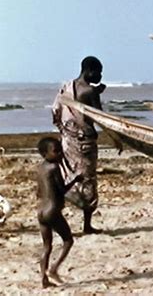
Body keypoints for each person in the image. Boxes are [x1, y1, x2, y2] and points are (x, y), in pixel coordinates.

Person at [52, 56, 111, 234]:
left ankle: (59, 211)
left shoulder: (66, 87)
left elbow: (57, 110)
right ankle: (87, 225)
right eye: (98, 72)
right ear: (90, 71)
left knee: (68, 175)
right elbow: (99, 116)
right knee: (88, 180)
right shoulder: (89, 92)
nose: (100, 76)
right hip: (85, 143)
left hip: (68, 141)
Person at [36, 137, 83, 288]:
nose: (60, 154)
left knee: (46, 246)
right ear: (45, 154)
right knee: (68, 241)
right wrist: (75, 180)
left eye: (60, 150)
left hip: (41, 211)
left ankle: (44, 278)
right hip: (52, 211)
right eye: (56, 152)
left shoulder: (41, 168)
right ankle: (54, 269)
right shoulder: (54, 168)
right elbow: (62, 190)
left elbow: (39, 192)